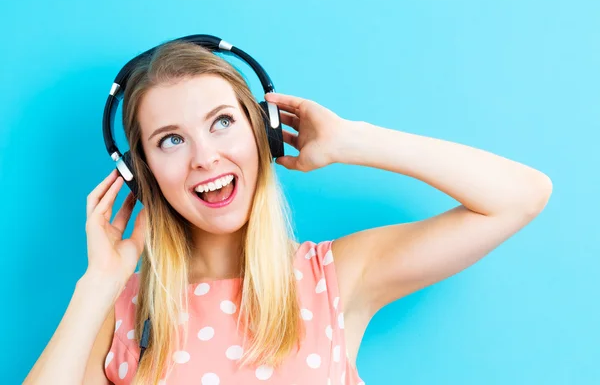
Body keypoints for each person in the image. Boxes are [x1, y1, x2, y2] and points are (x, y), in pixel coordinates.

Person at [24, 40, 553, 385]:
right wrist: (97, 283)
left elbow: (520, 196)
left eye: (223, 123)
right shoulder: (119, 311)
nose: (205, 156)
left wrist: (352, 140)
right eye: (170, 140)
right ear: (142, 174)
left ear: (264, 134)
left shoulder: (332, 278)